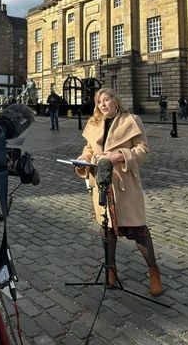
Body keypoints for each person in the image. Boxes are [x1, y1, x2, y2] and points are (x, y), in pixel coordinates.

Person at [74, 88, 162, 296]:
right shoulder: (94, 123)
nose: (103, 104)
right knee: (107, 230)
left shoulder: (131, 120)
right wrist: (82, 161)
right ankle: (111, 270)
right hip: (102, 184)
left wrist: (119, 156)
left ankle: (154, 272)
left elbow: (142, 150)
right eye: (99, 102)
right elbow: (88, 150)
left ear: (115, 101)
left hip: (124, 185)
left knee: (138, 231)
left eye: (106, 100)